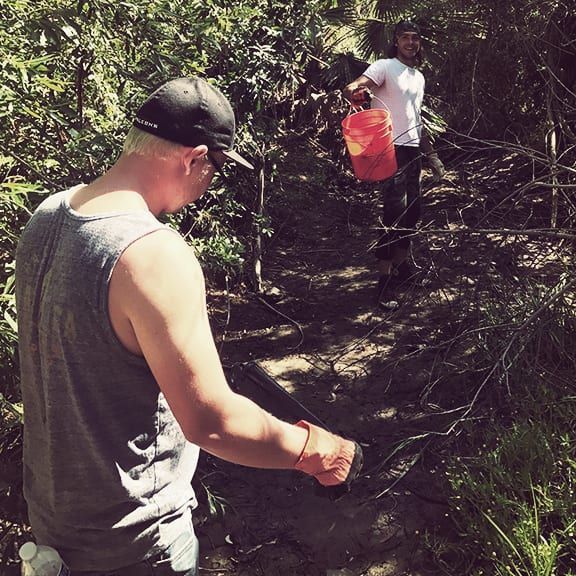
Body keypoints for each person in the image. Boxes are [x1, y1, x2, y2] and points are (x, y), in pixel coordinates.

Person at [15, 77, 363, 575]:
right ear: (194, 157)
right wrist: (318, 451)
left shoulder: (49, 214)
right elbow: (211, 423)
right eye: (216, 169)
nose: (211, 183)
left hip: (54, 530)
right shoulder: (153, 254)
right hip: (136, 543)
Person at [343, 20, 445, 309]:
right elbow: (356, 86)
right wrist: (354, 91)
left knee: (413, 212)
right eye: (405, 38)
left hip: (413, 151)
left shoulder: (418, 77)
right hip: (389, 148)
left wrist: (433, 156)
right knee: (394, 212)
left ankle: (403, 269)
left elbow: (417, 119)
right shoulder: (384, 66)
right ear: (396, 41)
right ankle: (384, 282)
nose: (411, 43)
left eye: (415, 38)